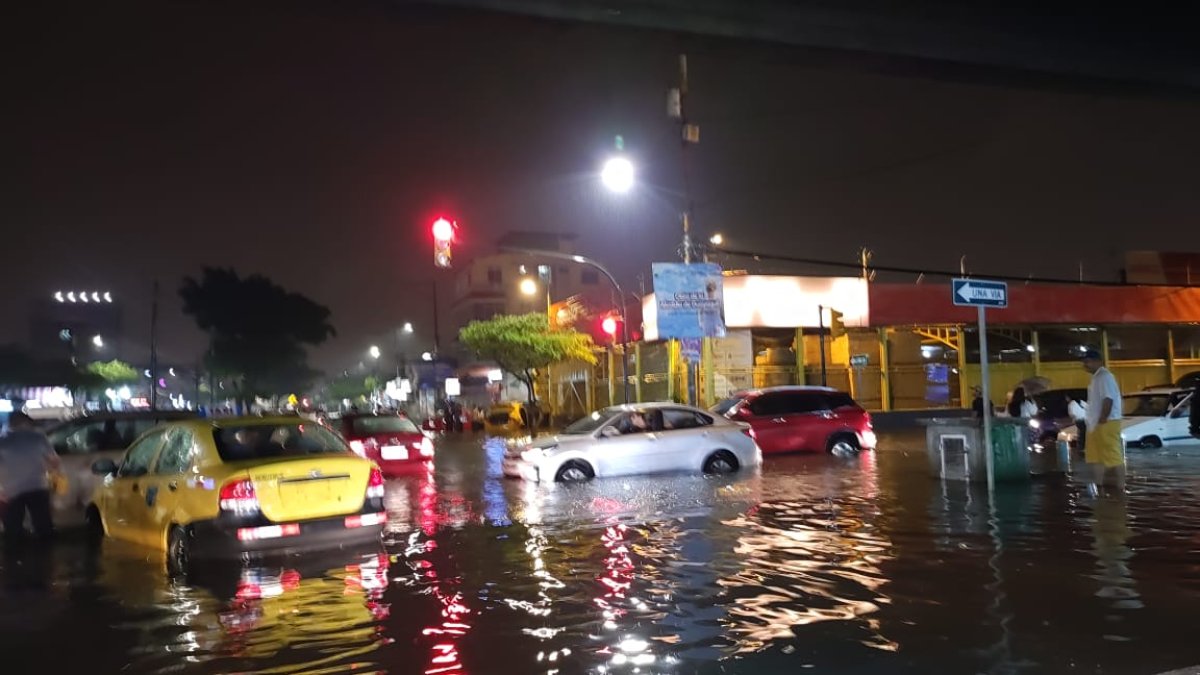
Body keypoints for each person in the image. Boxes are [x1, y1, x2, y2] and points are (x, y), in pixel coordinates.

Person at [0, 412, 59, 544]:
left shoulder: (2, 441)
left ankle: (15, 557)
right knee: (43, 526)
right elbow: (54, 461)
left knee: (13, 529)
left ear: (10, 423)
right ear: (26, 422)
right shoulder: (38, 437)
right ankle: (46, 558)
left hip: (11, 491)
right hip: (37, 486)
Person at [1082, 348, 1124, 496]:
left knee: (1113, 455)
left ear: (1098, 362)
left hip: (1106, 422)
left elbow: (1108, 398)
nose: (1085, 365)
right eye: (1084, 362)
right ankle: (1099, 487)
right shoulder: (1096, 378)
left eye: (1088, 361)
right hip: (1095, 424)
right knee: (1097, 457)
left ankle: (1120, 487)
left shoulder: (1105, 376)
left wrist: (1103, 417)